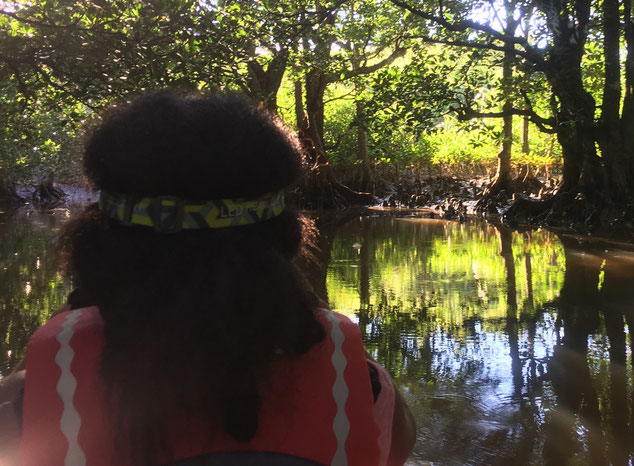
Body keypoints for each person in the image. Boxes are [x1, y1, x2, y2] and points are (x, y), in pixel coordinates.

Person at [0, 90, 415, 465]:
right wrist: (299, 299)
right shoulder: (363, 383)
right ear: (283, 240)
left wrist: (85, 299)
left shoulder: (27, 396)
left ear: (98, 246)